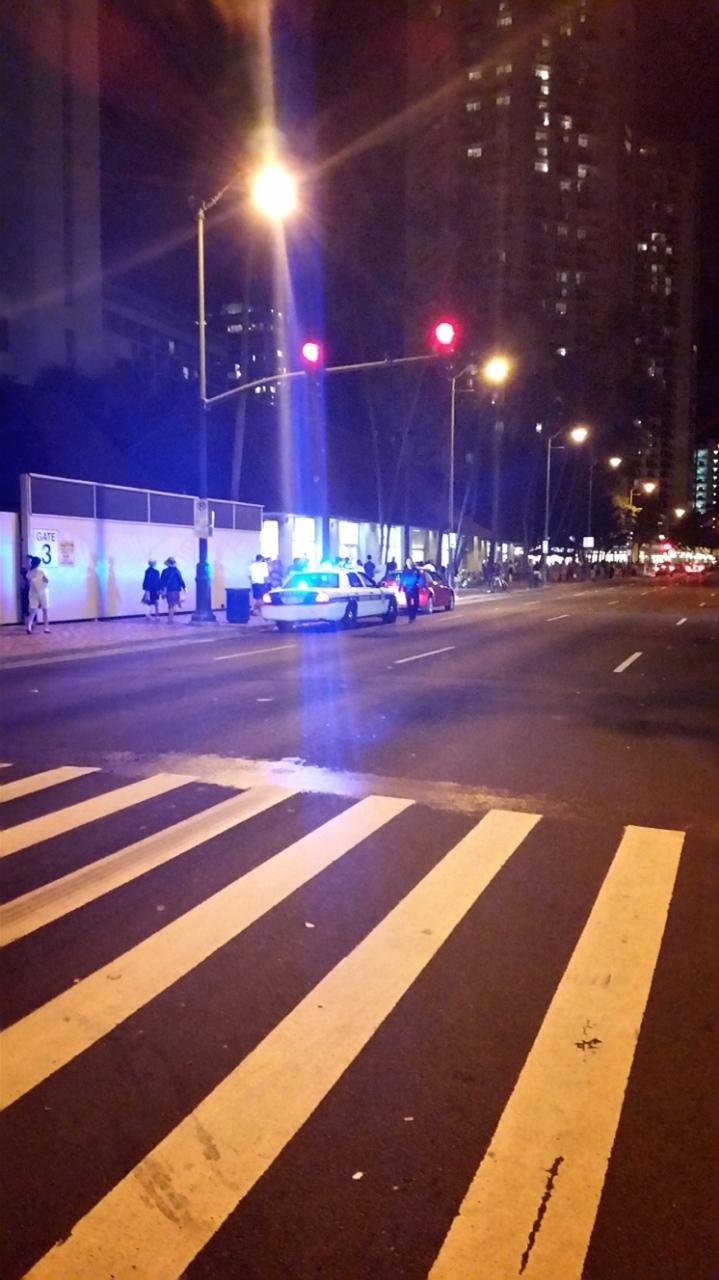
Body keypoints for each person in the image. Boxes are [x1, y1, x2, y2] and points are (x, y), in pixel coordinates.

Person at [27, 556, 50, 634]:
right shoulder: (42, 571)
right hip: (43, 591)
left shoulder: (30, 571)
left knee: (33, 610)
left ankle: (29, 627)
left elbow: (28, 579)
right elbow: (46, 580)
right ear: (39, 563)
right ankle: (46, 628)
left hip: (33, 592)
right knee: (45, 610)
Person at [160, 556, 185, 622]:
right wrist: (184, 587)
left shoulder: (165, 571)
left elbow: (162, 581)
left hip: (169, 590)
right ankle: (171, 618)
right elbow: (181, 580)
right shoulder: (177, 571)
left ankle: (170, 619)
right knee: (172, 605)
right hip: (176, 589)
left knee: (170, 605)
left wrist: (162, 590)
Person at [400, 557, 422, 623]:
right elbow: (402, 579)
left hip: (415, 588)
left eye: (410, 561)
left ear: (412, 562)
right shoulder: (405, 571)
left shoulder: (416, 571)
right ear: (406, 563)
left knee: (416, 603)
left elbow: (420, 578)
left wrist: (422, 585)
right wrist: (400, 586)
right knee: (409, 603)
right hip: (407, 589)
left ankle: (414, 614)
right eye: (408, 561)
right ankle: (410, 617)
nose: (409, 563)